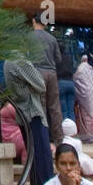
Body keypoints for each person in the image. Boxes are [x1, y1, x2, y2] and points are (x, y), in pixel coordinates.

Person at [4, 58, 52, 185]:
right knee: (42, 157)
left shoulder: (7, 61)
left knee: (35, 157)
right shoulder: (21, 61)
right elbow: (41, 85)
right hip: (32, 113)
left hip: (22, 114)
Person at [30, 14, 66, 145]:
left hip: (37, 72)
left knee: (40, 106)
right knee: (55, 107)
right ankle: (59, 138)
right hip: (52, 73)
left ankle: (43, 137)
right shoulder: (52, 38)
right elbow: (58, 59)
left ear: (33, 21)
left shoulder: (29, 37)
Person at [72, 53, 93, 142]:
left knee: (87, 116)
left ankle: (90, 135)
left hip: (85, 95)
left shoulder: (79, 69)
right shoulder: (92, 68)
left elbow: (77, 80)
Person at [57, 53, 77, 123]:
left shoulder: (57, 59)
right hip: (71, 82)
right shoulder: (70, 57)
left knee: (64, 110)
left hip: (61, 82)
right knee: (71, 109)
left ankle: (66, 129)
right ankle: (73, 128)